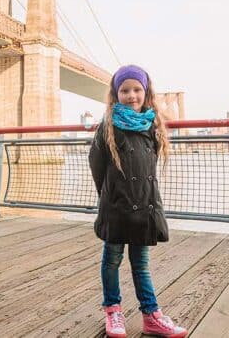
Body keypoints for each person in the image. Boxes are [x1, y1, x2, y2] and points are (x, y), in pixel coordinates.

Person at [89, 65, 188, 338]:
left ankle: (151, 315)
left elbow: (149, 170)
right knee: (112, 259)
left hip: (144, 207)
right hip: (117, 207)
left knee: (141, 264)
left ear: (146, 93)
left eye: (136, 90)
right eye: (124, 90)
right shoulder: (108, 126)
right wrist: (109, 198)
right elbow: (96, 165)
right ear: (115, 93)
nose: (131, 95)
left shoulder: (152, 126)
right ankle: (113, 310)